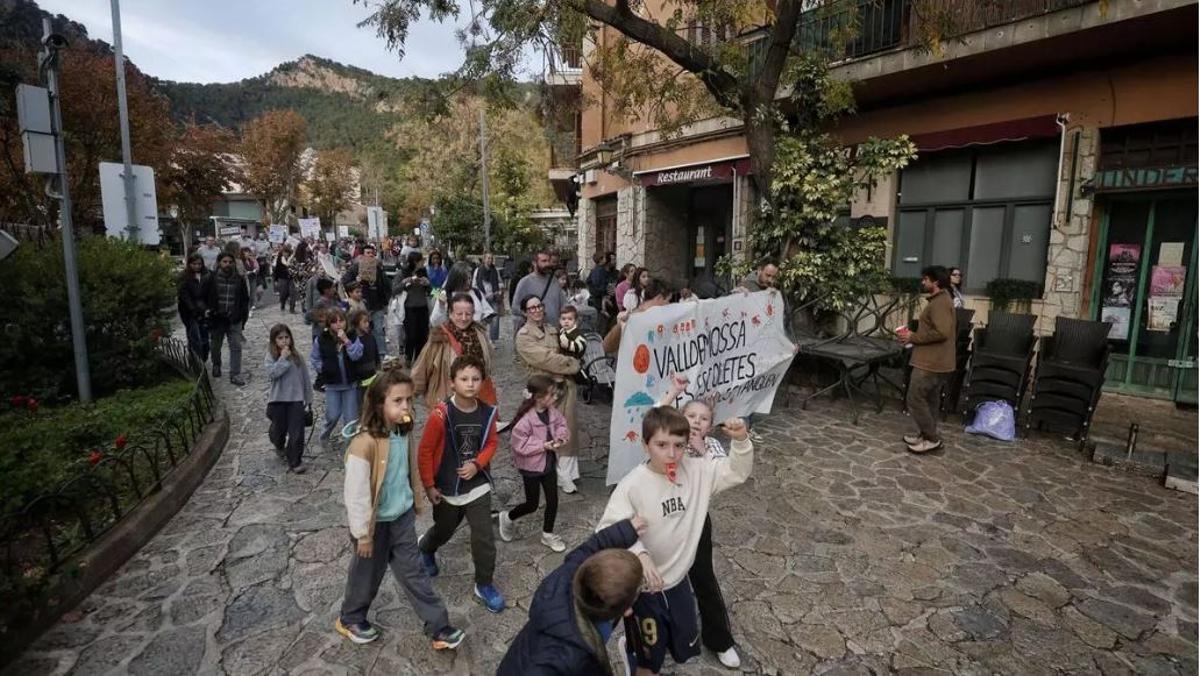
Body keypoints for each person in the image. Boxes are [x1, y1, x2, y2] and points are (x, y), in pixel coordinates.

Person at [597, 407, 753, 676]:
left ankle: (636, 649)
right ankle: (637, 659)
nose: (671, 454)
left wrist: (740, 441)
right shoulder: (632, 485)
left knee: (681, 643)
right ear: (645, 445)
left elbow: (735, 472)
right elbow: (608, 529)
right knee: (651, 658)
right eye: (661, 445)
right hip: (645, 588)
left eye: (679, 445)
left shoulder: (698, 471)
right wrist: (639, 554)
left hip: (678, 582)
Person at [335, 366, 467, 651]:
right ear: (379, 403)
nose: (406, 405)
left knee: (415, 573)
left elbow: (405, 471)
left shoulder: (402, 431)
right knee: (366, 574)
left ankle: (439, 627)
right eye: (398, 401)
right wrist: (363, 535)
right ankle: (350, 618)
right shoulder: (364, 443)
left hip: (401, 518)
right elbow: (356, 494)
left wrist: (418, 496)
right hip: (373, 525)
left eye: (408, 399)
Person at [655, 377, 742, 668]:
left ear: (711, 425)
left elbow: (721, 476)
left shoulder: (713, 447)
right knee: (660, 580)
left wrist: (700, 448)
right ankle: (659, 637)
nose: (696, 422)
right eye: (690, 416)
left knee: (703, 577)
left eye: (703, 419)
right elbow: (652, 418)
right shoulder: (669, 437)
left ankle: (719, 640)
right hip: (663, 517)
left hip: (695, 520)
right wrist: (674, 392)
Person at [496, 518, 648, 676]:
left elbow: (590, 548)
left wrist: (625, 531)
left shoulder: (567, 577)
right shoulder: (574, 661)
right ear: (625, 610)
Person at [416, 355, 506, 614]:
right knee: (444, 528)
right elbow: (425, 452)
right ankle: (426, 547)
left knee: (484, 537)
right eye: (464, 379)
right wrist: (429, 485)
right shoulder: (439, 415)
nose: (470, 384)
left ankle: (484, 584)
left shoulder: (488, 413)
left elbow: (491, 443)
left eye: (475, 379)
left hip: (477, 484)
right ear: (452, 382)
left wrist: (477, 464)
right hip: (446, 486)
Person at [516, 295, 583, 494]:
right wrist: (573, 365)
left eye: (539, 306)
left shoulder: (553, 329)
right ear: (524, 312)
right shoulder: (523, 336)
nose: (537, 310)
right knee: (546, 432)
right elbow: (545, 359)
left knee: (568, 428)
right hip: (542, 391)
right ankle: (555, 474)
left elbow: (570, 349)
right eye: (532, 308)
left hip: (564, 386)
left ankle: (568, 473)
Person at [497, 375, 570, 553]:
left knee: (553, 500)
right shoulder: (525, 421)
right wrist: (542, 446)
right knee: (532, 504)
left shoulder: (552, 411)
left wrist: (560, 436)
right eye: (551, 395)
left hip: (549, 463)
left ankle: (547, 534)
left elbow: (562, 424)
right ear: (538, 397)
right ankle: (507, 517)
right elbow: (519, 445)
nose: (554, 398)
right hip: (531, 468)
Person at [900, 265, 956, 454]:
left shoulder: (940, 302)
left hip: (931, 361)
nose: (923, 282)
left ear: (936, 282)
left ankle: (932, 438)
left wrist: (913, 337)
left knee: (915, 397)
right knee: (930, 399)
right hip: (935, 360)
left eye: (925, 279)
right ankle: (926, 435)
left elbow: (942, 331)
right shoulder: (940, 300)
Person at [411, 292, 497, 408]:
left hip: (479, 399)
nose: (464, 318)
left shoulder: (480, 333)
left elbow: (487, 365)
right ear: (450, 314)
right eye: (459, 314)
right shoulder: (439, 338)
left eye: (468, 314)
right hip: (448, 399)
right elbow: (422, 368)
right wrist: (408, 395)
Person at [311, 308, 365, 444]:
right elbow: (315, 358)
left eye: (341, 321)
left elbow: (356, 356)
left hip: (350, 384)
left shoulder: (352, 336)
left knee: (350, 418)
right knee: (333, 415)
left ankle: (351, 444)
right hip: (332, 384)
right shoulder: (322, 339)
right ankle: (324, 435)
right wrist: (322, 369)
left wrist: (347, 342)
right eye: (334, 322)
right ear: (329, 325)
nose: (338, 324)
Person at [264, 324, 312, 473]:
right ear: (274, 341)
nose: (284, 341)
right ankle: (277, 441)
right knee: (280, 430)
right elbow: (273, 374)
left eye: (286, 337)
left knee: (297, 432)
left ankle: (295, 461)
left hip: (296, 400)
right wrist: (283, 359)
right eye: (280, 338)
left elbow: (305, 378)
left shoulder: (297, 357)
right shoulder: (271, 357)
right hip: (278, 400)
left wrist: (308, 399)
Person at [205, 252, 250, 386]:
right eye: (225, 262)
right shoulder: (211, 279)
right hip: (217, 318)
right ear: (219, 263)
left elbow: (244, 300)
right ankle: (216, 364)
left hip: (234, 318)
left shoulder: (239, 279)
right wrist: (208, 312)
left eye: (230, 262)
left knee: (236, 346)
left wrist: (242, 317)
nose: (227, 264)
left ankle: (235, 373)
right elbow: (204, 297)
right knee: (215, 345)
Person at [602, 277, 673, 354]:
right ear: (659, 298)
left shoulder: (661, 317)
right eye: (668, 301)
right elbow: (606, 347)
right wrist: (621, 326)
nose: (669, 305)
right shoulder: (633, 317)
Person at [342, 244, 391, 356]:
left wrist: (385, 302)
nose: (370, 255)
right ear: (362, 255)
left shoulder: (377, 268)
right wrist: (356, 280)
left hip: (376, 305)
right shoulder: (355, 268)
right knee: (362, 332)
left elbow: (385, 286)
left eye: (372, 253)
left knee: (378, 331)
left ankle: (383, 354)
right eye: (367, 253)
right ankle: (366, 354)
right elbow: (345, 282)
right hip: (361, 307)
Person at [512, 250, 568, 333]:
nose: (547, 264)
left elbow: (564, 305)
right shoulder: (525, 282)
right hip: (533, 334)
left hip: (553, 332)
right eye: (543, 261)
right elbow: (516, 308)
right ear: (534, 263)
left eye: (548, 261)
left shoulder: (554, 281)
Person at [432, 262, 494, 327]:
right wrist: (441, 306)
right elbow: (435, 322)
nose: (468, 282)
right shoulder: (445, 294)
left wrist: (483, 321)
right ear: (456, 279)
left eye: (470, 278)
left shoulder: (476, 292)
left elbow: (488, 312)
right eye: (465, 279)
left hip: (475, 335)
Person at [397, 252, 432, 363]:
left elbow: (432, 292)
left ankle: (419, 358)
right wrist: (405, 282)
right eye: (421, 260)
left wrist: (428, 284)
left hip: (422, 307)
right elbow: (394, 290)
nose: (423, 262)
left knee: (422, 335)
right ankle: (408, 355)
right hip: (409, 308)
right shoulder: (403, 272)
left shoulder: (424, 272)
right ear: (415, 261)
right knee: (411, 335)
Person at [177, 254, 211, 363]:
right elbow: (184, 296)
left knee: (205, 337)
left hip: (204, 310)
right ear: (189, 264)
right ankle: (197, 361)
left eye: (199, 264)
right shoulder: (184, 277)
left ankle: (202, 357)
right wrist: (193, 310)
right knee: (194, 336)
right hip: (189, 311)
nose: (197, 266)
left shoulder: (207, 274)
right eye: (194, 264)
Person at [473, 253, 503, 341]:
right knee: (482, 319)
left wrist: (499, 289)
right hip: (482, 298)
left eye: (491, 258)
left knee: (495, 318)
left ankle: (493, 340)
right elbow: (474, 284)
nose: (490, 260)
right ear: (484, 259)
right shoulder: (478, 270)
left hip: (493, 297)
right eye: (488, 258)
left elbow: (500, 282)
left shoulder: (495, 270)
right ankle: (482, 339)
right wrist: (481, 294)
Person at [348, 309, 382, 377]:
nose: (367, 324)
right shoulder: (352, 340)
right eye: (364, 322)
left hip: (372, 372)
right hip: (359, 376)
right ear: (356, 323)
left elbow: (376, 353)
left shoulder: (371, 337)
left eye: (368, 321)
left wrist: (378, 366)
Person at [274, 246, 296, 313]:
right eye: (284, 252)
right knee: (283, 293)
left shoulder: (292, 259)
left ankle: (292, 308)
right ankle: (282, 304)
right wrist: (276, 279)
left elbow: (295, 267)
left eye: (286, 253)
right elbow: (277, 269)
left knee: (292, 293)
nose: (285, 254)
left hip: (291, 278)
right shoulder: (280, 258)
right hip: (282, 278)